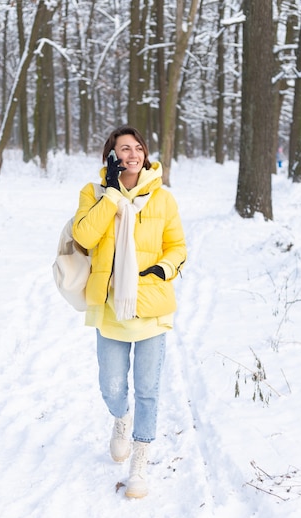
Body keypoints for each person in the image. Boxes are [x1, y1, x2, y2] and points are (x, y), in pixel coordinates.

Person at [72, 125, 187, 498]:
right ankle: (121, 419)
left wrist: (163, 269)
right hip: (109, 305)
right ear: (111, 155)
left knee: (149, 389)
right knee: (112, 385)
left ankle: (140, 460)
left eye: (138, 147)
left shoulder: (162, 198)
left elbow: (178, 247)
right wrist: (109, 193)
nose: (133, 154)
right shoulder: (93, 193)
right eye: (124, 148)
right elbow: (84, 237)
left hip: (151, 304)